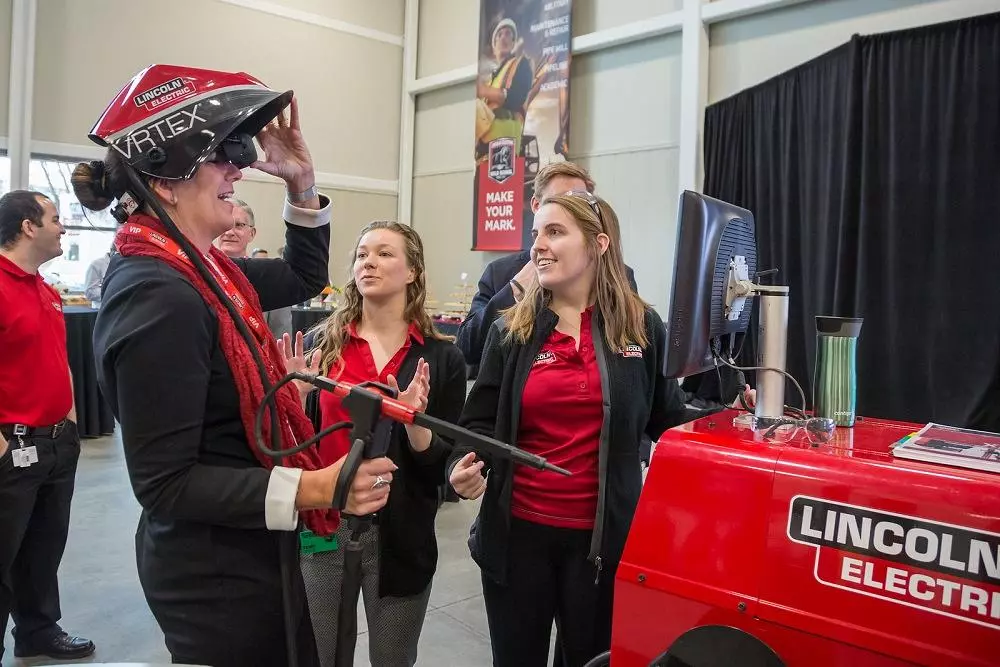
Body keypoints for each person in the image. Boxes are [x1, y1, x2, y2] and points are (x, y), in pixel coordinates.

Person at [74, 64, 395, 667]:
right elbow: (165, 483)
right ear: (165, 182)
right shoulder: (160, 294)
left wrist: (302, 184)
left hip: (248, 545)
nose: (239, 168)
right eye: (220, 154)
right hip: (213, 573)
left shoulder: (203, 272)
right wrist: (318, 486)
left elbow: (303, 275)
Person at [448, 191, 695, 667]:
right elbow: (476, 423)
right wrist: (460, 465)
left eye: (555, 232)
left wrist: (732, 424)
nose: (538, 245)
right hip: (518, 540)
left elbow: (668, 417)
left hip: (602, 546)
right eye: (536, 233)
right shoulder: (511, 331)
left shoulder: (642, 328)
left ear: (599, 244)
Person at [289, 220, 467, 667]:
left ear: (413, 272)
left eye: (385, 253)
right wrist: (292, 403)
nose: (369, 261)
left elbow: (440, 471)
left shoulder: (441, 357)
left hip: (402, 533)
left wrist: (415, 425)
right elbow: (288, 449)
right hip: (324, 524)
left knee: (393, 657)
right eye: (362, 253)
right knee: (321, 655)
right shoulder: (319, 347)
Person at [0, 190, 94, 661]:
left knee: (43, 546)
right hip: (11, 446)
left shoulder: (45, 289)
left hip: (56, 444)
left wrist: (71, 422)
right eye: (55, 219)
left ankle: (37, 630)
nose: (64, 227)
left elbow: (57, 362)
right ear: (27, 226)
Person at [456, 162, 637, 368]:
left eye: (578, 202)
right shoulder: (500, 273)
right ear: (536, 206)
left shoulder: (619, 275)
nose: (569, 210)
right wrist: (515, 290)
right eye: (558, 201)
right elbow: (468, 348)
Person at [217, 197, 293, 339]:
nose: (229, 232)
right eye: (225, 224)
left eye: (238, 225)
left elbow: (280, 337)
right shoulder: (200, 270)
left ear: (252, 233)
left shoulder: (270, 278)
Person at [476, 17, 533, 161]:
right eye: (499, 35)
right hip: (485, 151)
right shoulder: (492, 79)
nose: (503, 38)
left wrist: (483, 91)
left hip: (506, 147)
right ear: (494, 46)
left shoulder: (521, 64)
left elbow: (516, 97)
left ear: (513, 43)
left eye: (508, 34)